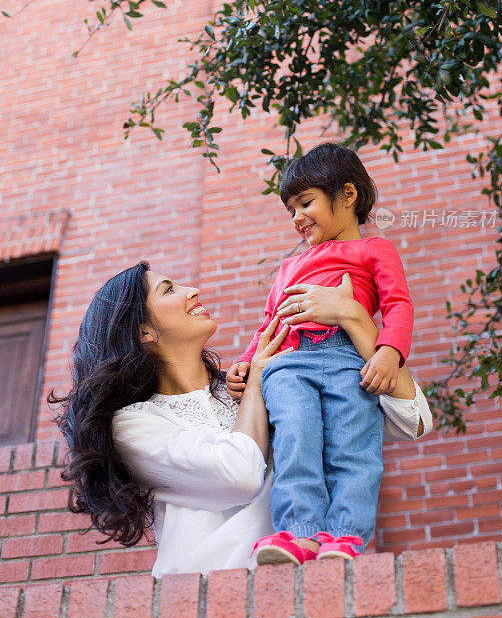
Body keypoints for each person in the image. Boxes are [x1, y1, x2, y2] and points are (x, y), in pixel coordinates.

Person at [50, 258, 430, 577]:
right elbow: (240, 473)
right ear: (144, 331)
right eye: (169, 290)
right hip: (204, 596)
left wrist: (357, 321)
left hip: (302, 588)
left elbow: (409, 421)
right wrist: (258, 385)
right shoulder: (133, 425)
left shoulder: (254, 384)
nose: (192, 291)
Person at [226, 142, 431, 565]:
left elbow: (398, 305)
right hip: (287, 364)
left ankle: (345, 535)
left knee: (352, 446)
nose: (297, 217)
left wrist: (390, 351)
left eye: (306, 203)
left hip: (348, 362)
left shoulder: (376, 250)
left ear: (348, 195)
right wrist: (247, 360)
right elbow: (270, 319)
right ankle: (299, 533)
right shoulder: (287, 267)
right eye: (290, 210)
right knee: (295, 442)